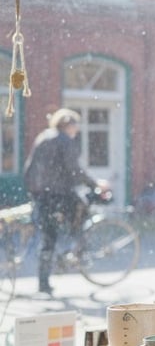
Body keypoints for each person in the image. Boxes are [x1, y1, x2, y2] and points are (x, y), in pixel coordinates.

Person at [23, 108, 106, 295]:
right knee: (81, 208)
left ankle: (44, 281)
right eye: (75, 125)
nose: (77, 129)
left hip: (41, 193)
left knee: (49, 235)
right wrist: (95, 184)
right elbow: (74, 170)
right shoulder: (64, 140)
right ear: (68, 124)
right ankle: (73, 249)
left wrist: (35, 190)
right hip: (57, 192)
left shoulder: (44, 137)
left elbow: (30, 167)